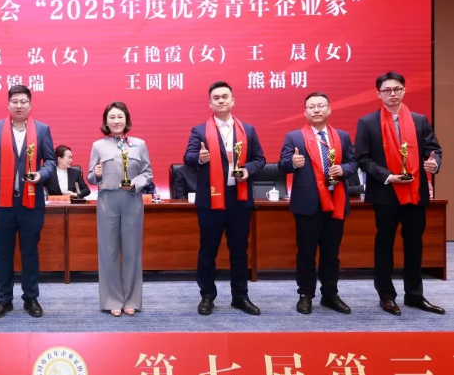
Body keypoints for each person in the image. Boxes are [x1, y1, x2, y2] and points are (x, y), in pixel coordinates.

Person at [355, 71, 444, 315]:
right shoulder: (367, 122)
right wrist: (387, 175)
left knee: (414, 244)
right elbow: (362, 158)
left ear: (404, 90)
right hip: (385, 193)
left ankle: (414, 295)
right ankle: (386, 295)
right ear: (378, 94)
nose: (392, 94)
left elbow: (433, 149)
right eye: (387, 90)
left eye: (397, 89)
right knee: (385, 244)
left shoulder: (419, 120)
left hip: (415, 192)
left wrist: (434, 163)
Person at [184, 81, 265, 316]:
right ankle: (207, 296)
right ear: (210, 103)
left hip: (239, 199)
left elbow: (259, 159)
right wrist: (199, 158)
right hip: (210, 200)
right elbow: (188, 158)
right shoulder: (199, 131)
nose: (221, 100)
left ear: (232, 101)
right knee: (208, 250)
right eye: (216, 98)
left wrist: (247, 170)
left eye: (225, 96)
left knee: (239, 250)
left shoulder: (248, 130)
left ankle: (240, 297)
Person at [0, 85, 55, 319]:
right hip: (2, 202)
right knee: (3, 252)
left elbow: (50, 161)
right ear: (8, 104)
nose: (19, 105)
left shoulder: (42, 129)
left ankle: (31, 298)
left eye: (23, 101)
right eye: (14, 101)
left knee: (30, 251)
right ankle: (4, 300)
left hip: (31, 202)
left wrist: (41, 174)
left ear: (30, 105)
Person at [277, 92, 358, 315]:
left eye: (321, 106)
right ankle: (305, 295)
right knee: (306, 253)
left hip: (336, 201)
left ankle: (330, 294)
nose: (316, 110)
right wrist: (292, 162)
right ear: (305, 112)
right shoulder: (294, 137)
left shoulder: (341, 136)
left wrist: (343, 169)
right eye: (311, 107)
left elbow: (353, 163)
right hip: (308, 205)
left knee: (331, 253)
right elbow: (282, 165)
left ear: (329, 109)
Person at [87, 102, 152, 316]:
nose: (116, 121)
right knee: (108, 252)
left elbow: (147, 173)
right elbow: (90, 176)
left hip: (132, 199)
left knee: (133, 251)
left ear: (126, 120)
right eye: (112, 117)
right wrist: (96, 174)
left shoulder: (139, 144)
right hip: (108, 200)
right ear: (106, 122)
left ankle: (131, 299)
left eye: (120, 117)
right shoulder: (98, 146)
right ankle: (112, 300)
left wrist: (135, 183)